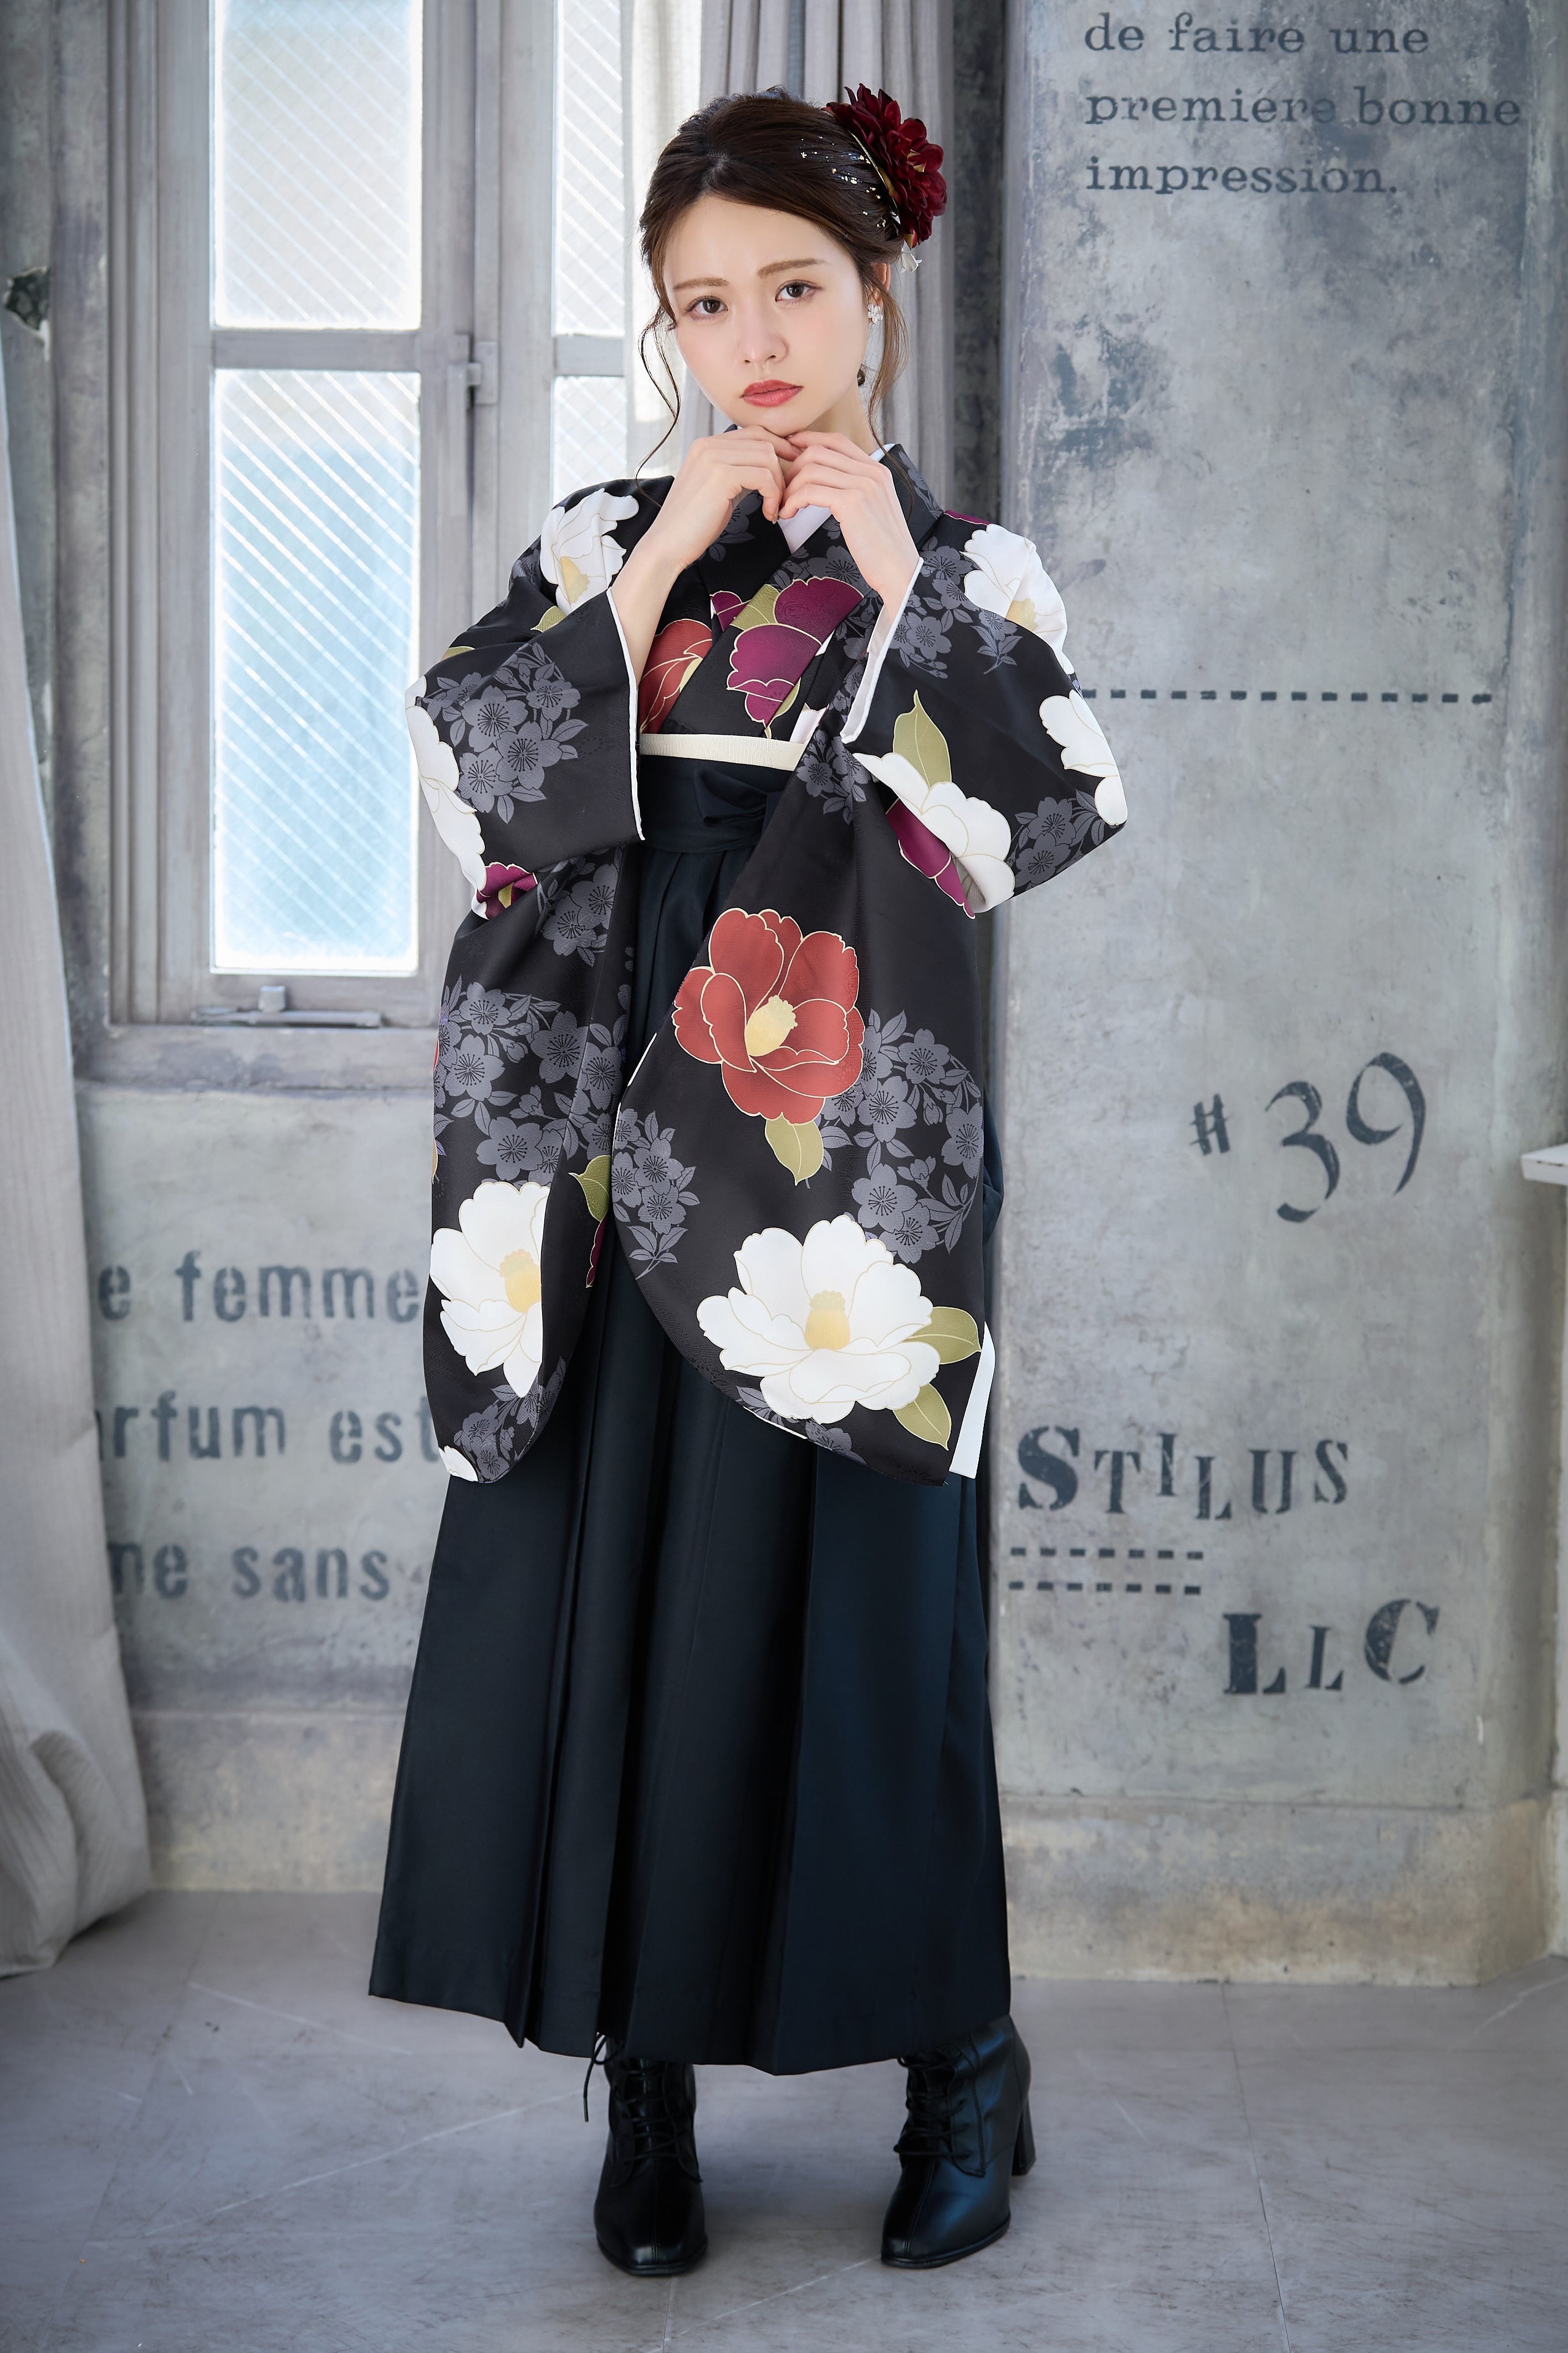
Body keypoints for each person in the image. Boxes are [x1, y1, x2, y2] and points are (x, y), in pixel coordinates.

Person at [370, 85, 1126, 2277]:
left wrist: (892, 573)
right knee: (621, 1587)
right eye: (705, 303)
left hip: (839, 1152)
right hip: (612, 1117)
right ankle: (648, 2075)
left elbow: (1044, 809)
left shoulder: (967, 564)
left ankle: (961, 2062)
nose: (755, 339)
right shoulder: (611, 529)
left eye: (795, 286)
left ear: (877, 289)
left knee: (876, 1615)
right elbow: (470, 779)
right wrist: (655, 560)